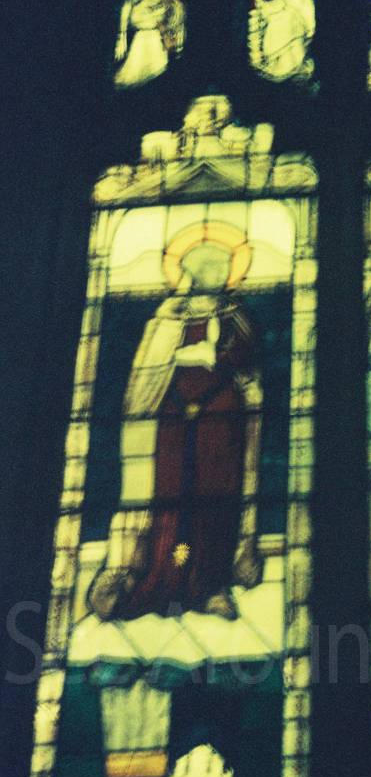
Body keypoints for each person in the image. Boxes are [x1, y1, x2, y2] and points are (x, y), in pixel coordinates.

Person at [89, 240, 259, 621]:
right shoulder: (167, 319)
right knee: (171, 500)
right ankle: (170, 578)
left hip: (224, 422)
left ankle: (211, 585)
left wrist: (218, 357)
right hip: (174, 424)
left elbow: (247, 360)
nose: (222, 272)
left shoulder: (235, 316)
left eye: (226, 266)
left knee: (218, 500)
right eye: (214, 265)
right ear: (194, 272)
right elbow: (149, 374)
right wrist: (184, 356)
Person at [114, 0, 186, 90]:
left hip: (154, 39)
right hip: (144, 38)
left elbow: (176, 26)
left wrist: (176, 47)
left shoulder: (173, 5)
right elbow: (128, 6)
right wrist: (121, 37)